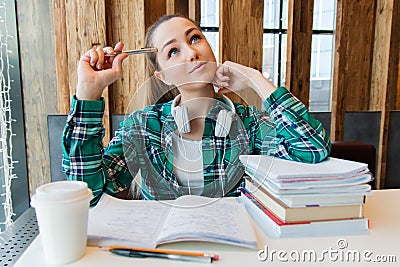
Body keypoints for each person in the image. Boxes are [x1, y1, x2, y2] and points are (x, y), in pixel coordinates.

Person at [62, 14, 331, 205]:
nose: (191, 53)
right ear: (163, 76)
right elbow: (87, 193)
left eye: (195, 39)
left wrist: (254, 79)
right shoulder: (143, 127)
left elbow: (312, 148)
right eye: (173, 52)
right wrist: (88, 91)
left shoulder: (251, 124)